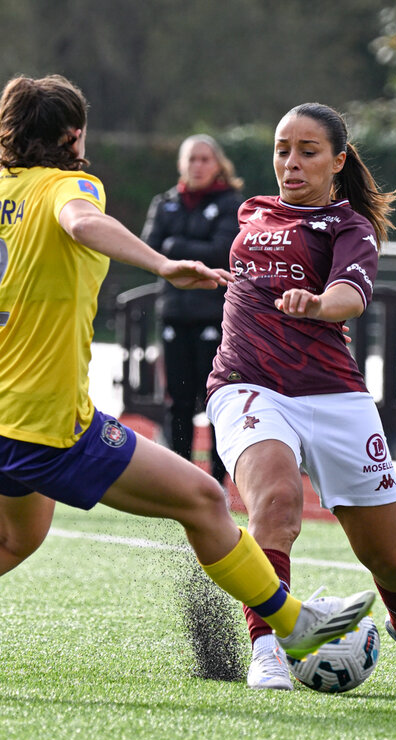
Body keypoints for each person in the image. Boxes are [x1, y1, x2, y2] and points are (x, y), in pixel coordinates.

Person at [0, 75, 373, 692]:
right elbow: (79, 223)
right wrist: (161, 264)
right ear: (74, 135)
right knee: (204, 500)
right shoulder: (71, 186)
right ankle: (294, 627)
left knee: (13, 537)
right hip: (43, 418)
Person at [204, 102, 396, 690]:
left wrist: (319, 304)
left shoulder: (350, 228)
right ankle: (268, 647)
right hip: (247, 384)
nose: (291, 163)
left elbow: (350, 296)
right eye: (282, 150)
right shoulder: (251, 212)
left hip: (333, 395)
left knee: (392, 560)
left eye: (308, 152)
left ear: (338, 161)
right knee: (276, 503)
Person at [141, 134, 245, 485]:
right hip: (174, 314)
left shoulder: (230, 204)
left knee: (216, 400)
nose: (197, 166)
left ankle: (217, 482)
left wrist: (175, 246)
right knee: (178, 402)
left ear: (218, 164)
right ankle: (181, 481)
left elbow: (223, 250)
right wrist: (183, 249)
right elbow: (149, 250)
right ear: (181, 164)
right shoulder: (165, 202)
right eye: (191, 159)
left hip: (215, 317)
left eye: (204, 159)